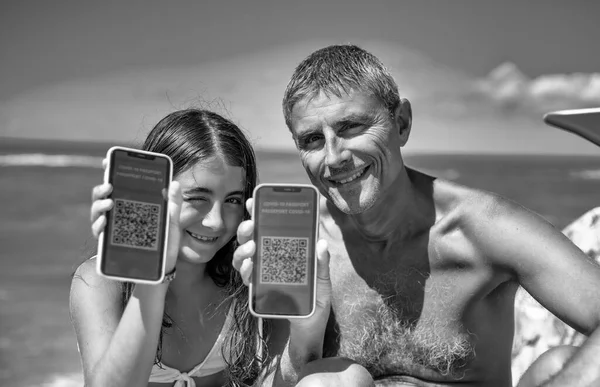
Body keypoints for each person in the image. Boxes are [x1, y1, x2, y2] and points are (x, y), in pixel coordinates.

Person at [232, 45, 600, 387]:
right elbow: (287, 380)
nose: (332, 158)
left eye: (351, 127)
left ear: (402, 123)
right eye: (312, 139)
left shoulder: (482, 229)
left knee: (560, 363)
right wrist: (306, 329)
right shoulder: (307, 247)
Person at [70, 109, 273, 387]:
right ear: (158, 194)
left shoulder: (244, 278)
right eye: (197, 197)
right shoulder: (98, 282)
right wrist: (155, 274)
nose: (215, 222)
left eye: (233, 201)